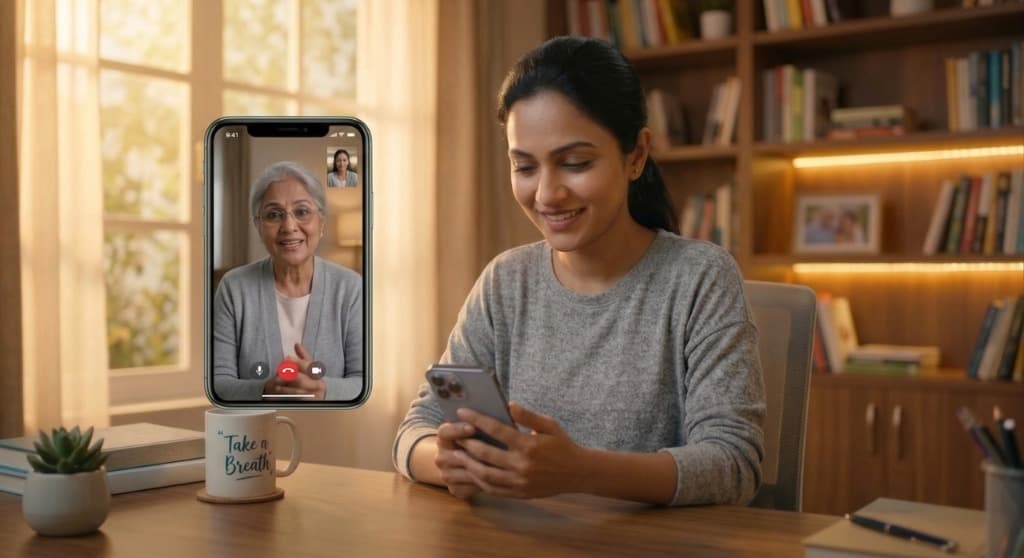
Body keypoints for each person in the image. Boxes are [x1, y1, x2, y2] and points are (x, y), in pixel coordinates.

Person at [392, 36, 765, 507]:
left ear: (636, 156)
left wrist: (581, 472)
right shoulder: (505, 282)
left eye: (574, 163)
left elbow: (733, 464)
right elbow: (416, 429)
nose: (547, 195)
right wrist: (448, 462)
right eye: (524, 167)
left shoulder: (699, 279)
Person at [213, 161, 363, 401]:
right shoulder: (234, 288)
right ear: (258, 226)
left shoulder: (352, 288)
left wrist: (322, 389)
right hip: (255, 433)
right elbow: (218, 383)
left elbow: (364, 381)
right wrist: (265, 390)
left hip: (333, 430)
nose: (289, 226)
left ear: (321, 222)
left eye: (302, 212)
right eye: (273, 215)